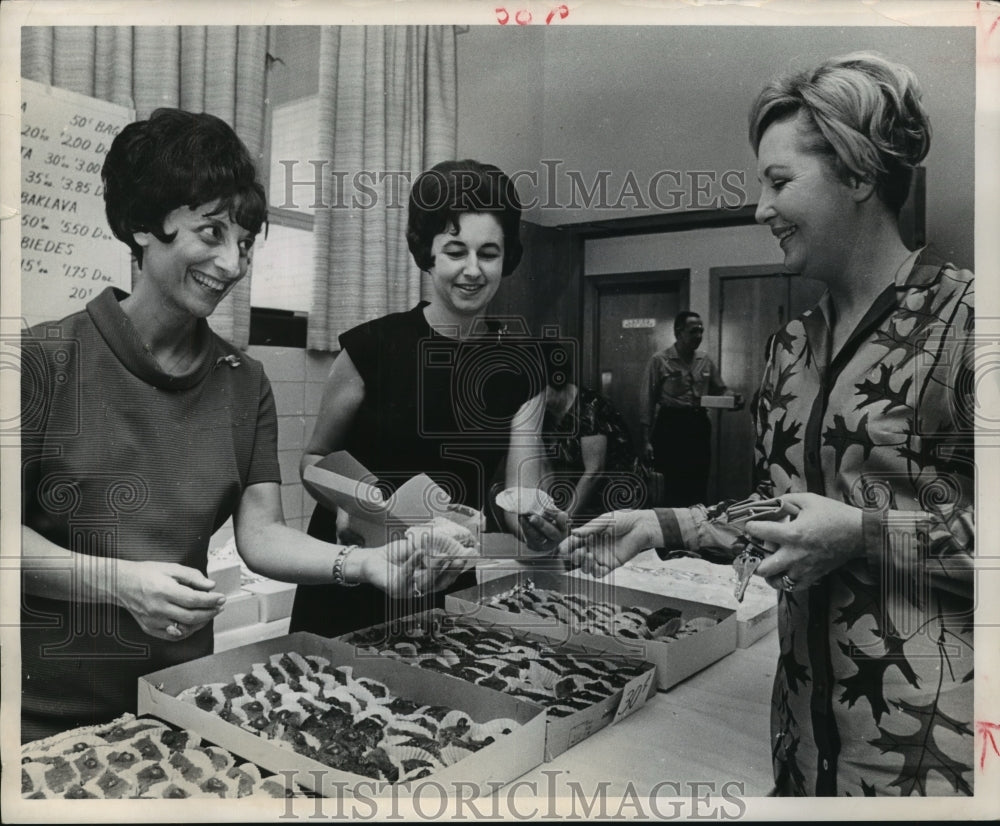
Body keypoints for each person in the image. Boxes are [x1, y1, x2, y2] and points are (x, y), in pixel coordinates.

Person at [563, 53, 974, 797]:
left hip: (933, 767)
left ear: (857, 175)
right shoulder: (790, 347)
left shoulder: (969, 325)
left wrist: (864, 532)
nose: (759, 208)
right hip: (799, 752)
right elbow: (781, 511)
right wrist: (665, 525)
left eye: (779, 182)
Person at [19, 110, 470, 744]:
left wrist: (364, 565)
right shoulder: (45, 359)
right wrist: (117, 583)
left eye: (246, 240)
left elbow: (260, 535)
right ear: (143, 226)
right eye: (210, 233)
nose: (232, 264)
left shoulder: (243, 382)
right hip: (44, 720)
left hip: (183, 707)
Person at [290, 159, 563, 639]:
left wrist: (538, 522)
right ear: (427, 254)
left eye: (489, 253)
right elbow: (314, 458)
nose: (473, 270)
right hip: (352, 569)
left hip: (441, 577)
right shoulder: (371, 348)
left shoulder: (522, 367)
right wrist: (352, 505)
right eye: (455, 251)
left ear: (508, 258)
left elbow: (521, 493)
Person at [540, 343, 644, 521]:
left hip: (615, 500)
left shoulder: (590, 407)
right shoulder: (544, 415)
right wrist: (547, 512)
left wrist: (565, 519)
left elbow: (594, 471)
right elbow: (546, 467)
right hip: (580, 500)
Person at [639, 311, 733, 506]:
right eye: (693, 331)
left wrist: (731, 398)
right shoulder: (660, 360)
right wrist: (646, 440)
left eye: (701, 331)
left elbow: (721, 389)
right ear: (678, 332)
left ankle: (695, 528)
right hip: (670, 425)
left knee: (697, 479)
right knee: (670, 482)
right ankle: (670, 531)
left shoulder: (705, 360)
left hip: (698, 424)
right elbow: (647, 399)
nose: (698, 336)